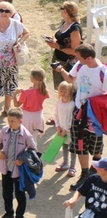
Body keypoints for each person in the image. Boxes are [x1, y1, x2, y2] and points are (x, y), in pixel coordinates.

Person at [56, 44, 107, 190]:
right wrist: (61, 70)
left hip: (94, 116)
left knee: (96, 147)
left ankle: (93, 174)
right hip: (79, 112)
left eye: (79, 57)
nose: (76, 59)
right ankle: (84, 175)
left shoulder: (103, 72)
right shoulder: (80, 65)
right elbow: (71, 79)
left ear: (89, 58)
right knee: (80, 145)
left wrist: (94, 105)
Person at [0, 1, 30, 117]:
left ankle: (7, 107)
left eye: (7, 11)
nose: (4, 13)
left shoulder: (15, 24)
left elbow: (27, 33)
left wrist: (20, 41)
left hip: (10, 60)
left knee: (9, 83)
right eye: (1, 10)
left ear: (11, 13)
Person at [0, 108, 36, 218]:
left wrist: (22, 160)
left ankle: (20, 215)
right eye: (8, 120)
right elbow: (0, 144)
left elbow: (33, 150)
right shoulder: (4, 130)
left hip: (19, 172)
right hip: (6, 169)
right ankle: (9, 213)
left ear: (20, 121)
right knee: (6, 193)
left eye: (13, 121)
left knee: (20, 195)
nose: (10, 123)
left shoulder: (26, 135)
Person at [45, 1, 83, 91]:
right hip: (59, 59)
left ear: (65, 11)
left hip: (67, 64)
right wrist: (53, 41)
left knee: (66, 90)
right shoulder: (64, 23)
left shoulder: (74, 29)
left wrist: (57, 46)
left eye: (61, 8)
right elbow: (62, 41)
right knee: (59, 89)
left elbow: (75, 51)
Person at [13, 68, 49, 147]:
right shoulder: (44, 91)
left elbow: (16, 105)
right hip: (38, 117)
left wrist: (15, 94)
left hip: (26, 118)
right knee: (33, 139)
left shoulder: (26, 93)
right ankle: (33, 156)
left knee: (23, 139)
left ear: (32, 79)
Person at [54, 82, 77, 177]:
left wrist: (65, 130)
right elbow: (56, 115)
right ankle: (65, 163)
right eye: (61, 91)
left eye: (65, 91)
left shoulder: (72, 104)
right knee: (64, 146)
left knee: (73, 148)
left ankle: (73, 166)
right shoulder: (58, 102)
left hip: (70, 131)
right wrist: (58, 126)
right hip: (61, 129)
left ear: (70, 92)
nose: (63, 93)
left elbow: (71, 119)